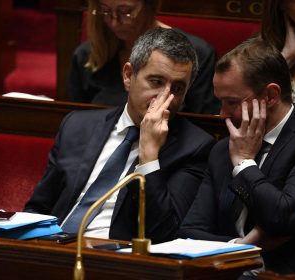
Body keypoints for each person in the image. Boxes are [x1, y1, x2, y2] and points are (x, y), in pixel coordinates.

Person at [25, 27, 215, 243]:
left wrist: (149, 156)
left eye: (178, 88)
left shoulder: (194, 148)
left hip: (117, 261)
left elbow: (164, 234)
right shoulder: (77, 126)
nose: (166, 97)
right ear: (128, 76)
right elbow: (39, 207)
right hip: (52, 248)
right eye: (156, 82)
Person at [177, 37, 295, 277]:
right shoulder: (222, 149)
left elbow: (282, 215)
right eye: (220, 102)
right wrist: (241, 249)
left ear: (270, 96)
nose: (222, 115)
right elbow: (190, 230)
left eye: (232, 102)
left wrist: (244, 163)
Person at [67, 0, 219, 114]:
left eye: (125, 12)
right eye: (105, 11)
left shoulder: (196, 54)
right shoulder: (87, 55)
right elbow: (76, 122)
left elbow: (202, 126)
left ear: (150, 5)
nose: (114, 22)